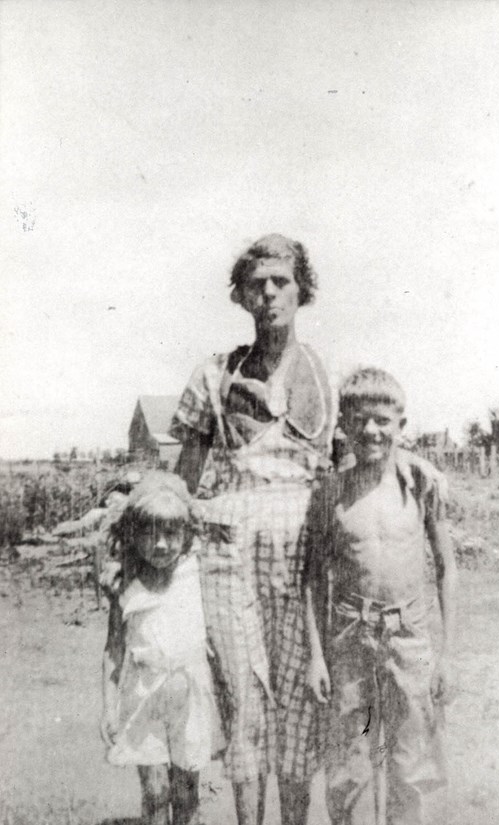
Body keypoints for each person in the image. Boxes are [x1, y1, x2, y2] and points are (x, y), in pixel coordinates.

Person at [169, 234, 333, 825]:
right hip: (228, 556)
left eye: (281, 282)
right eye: (256, 284)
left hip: (301, 562)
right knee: (244, 699)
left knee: (297, 701)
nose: (269, 294)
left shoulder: (329, 379)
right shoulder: (213, 377)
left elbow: (353, 474)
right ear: (241, 295)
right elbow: (182, 484)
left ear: (301, 290)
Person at [304, 367, 458, 825]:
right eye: (359, 420)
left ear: (400, 426)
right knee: (350, 768)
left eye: (382, 420)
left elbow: (448, 569)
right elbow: (313, 578)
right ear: (344, 426)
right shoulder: (331, 495)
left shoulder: (420, 488)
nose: (371, 430)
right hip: (350, 640)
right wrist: (316, 655)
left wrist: (446, 654)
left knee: (411, 765)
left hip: (409, 640)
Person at [100, 472, 222, 825]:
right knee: (155, 792)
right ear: (133, 535)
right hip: (143, 699)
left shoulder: (197, 575)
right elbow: (113, 650)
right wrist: (108, 707)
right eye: (150, 533)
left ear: (186, 536)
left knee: (186, 792)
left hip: (190, 699)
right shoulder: (126, 586)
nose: (161, 545)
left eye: (171, 534)